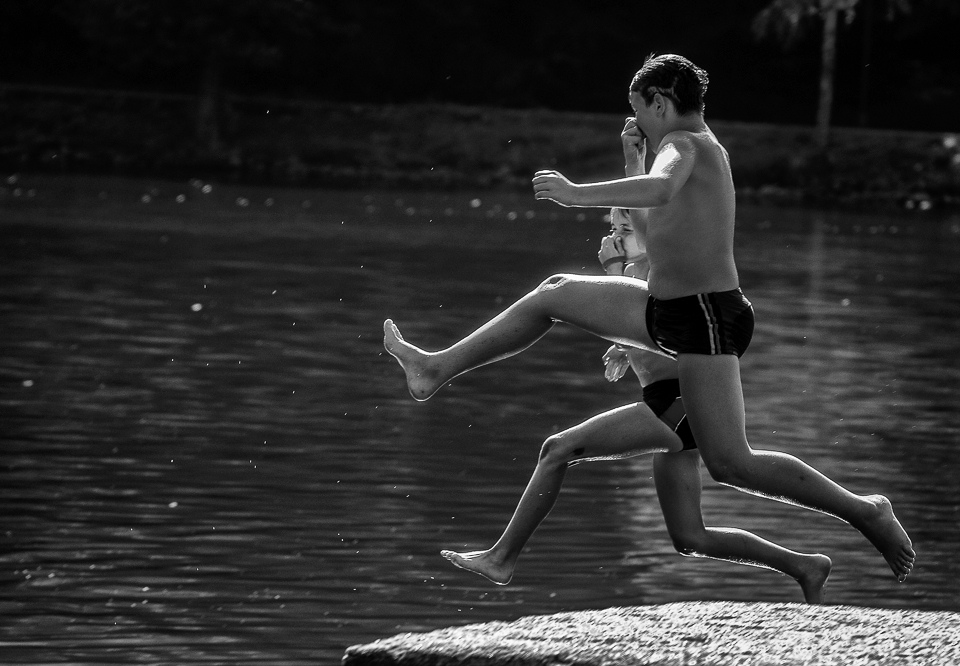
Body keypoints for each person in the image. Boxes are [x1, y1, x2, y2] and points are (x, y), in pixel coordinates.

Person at [384, 54, 914, 582]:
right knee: (555, 292)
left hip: (703, 315)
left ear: (661, 102)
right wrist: (631, 161)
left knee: (732, 463)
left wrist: (575, 194)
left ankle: (866, 510)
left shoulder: (687, 145)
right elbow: (651, 224)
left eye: (639, 111)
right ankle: (436, 369)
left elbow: (660, 191)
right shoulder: (678, 151)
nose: (636, 122)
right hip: (669, 312)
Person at [439, 208, 832, 603]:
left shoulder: (668, 277)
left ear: (652, 231)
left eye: (626, 229)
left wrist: (613, 270)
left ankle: (502, 557)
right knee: (690, 538)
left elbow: (674, 331)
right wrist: (624, 348)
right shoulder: (637, 276)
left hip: (683, 402)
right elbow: (653, 337)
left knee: (558, 449)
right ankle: (804, 565)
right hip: (669, 402)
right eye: (612, 229)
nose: (615, 236)